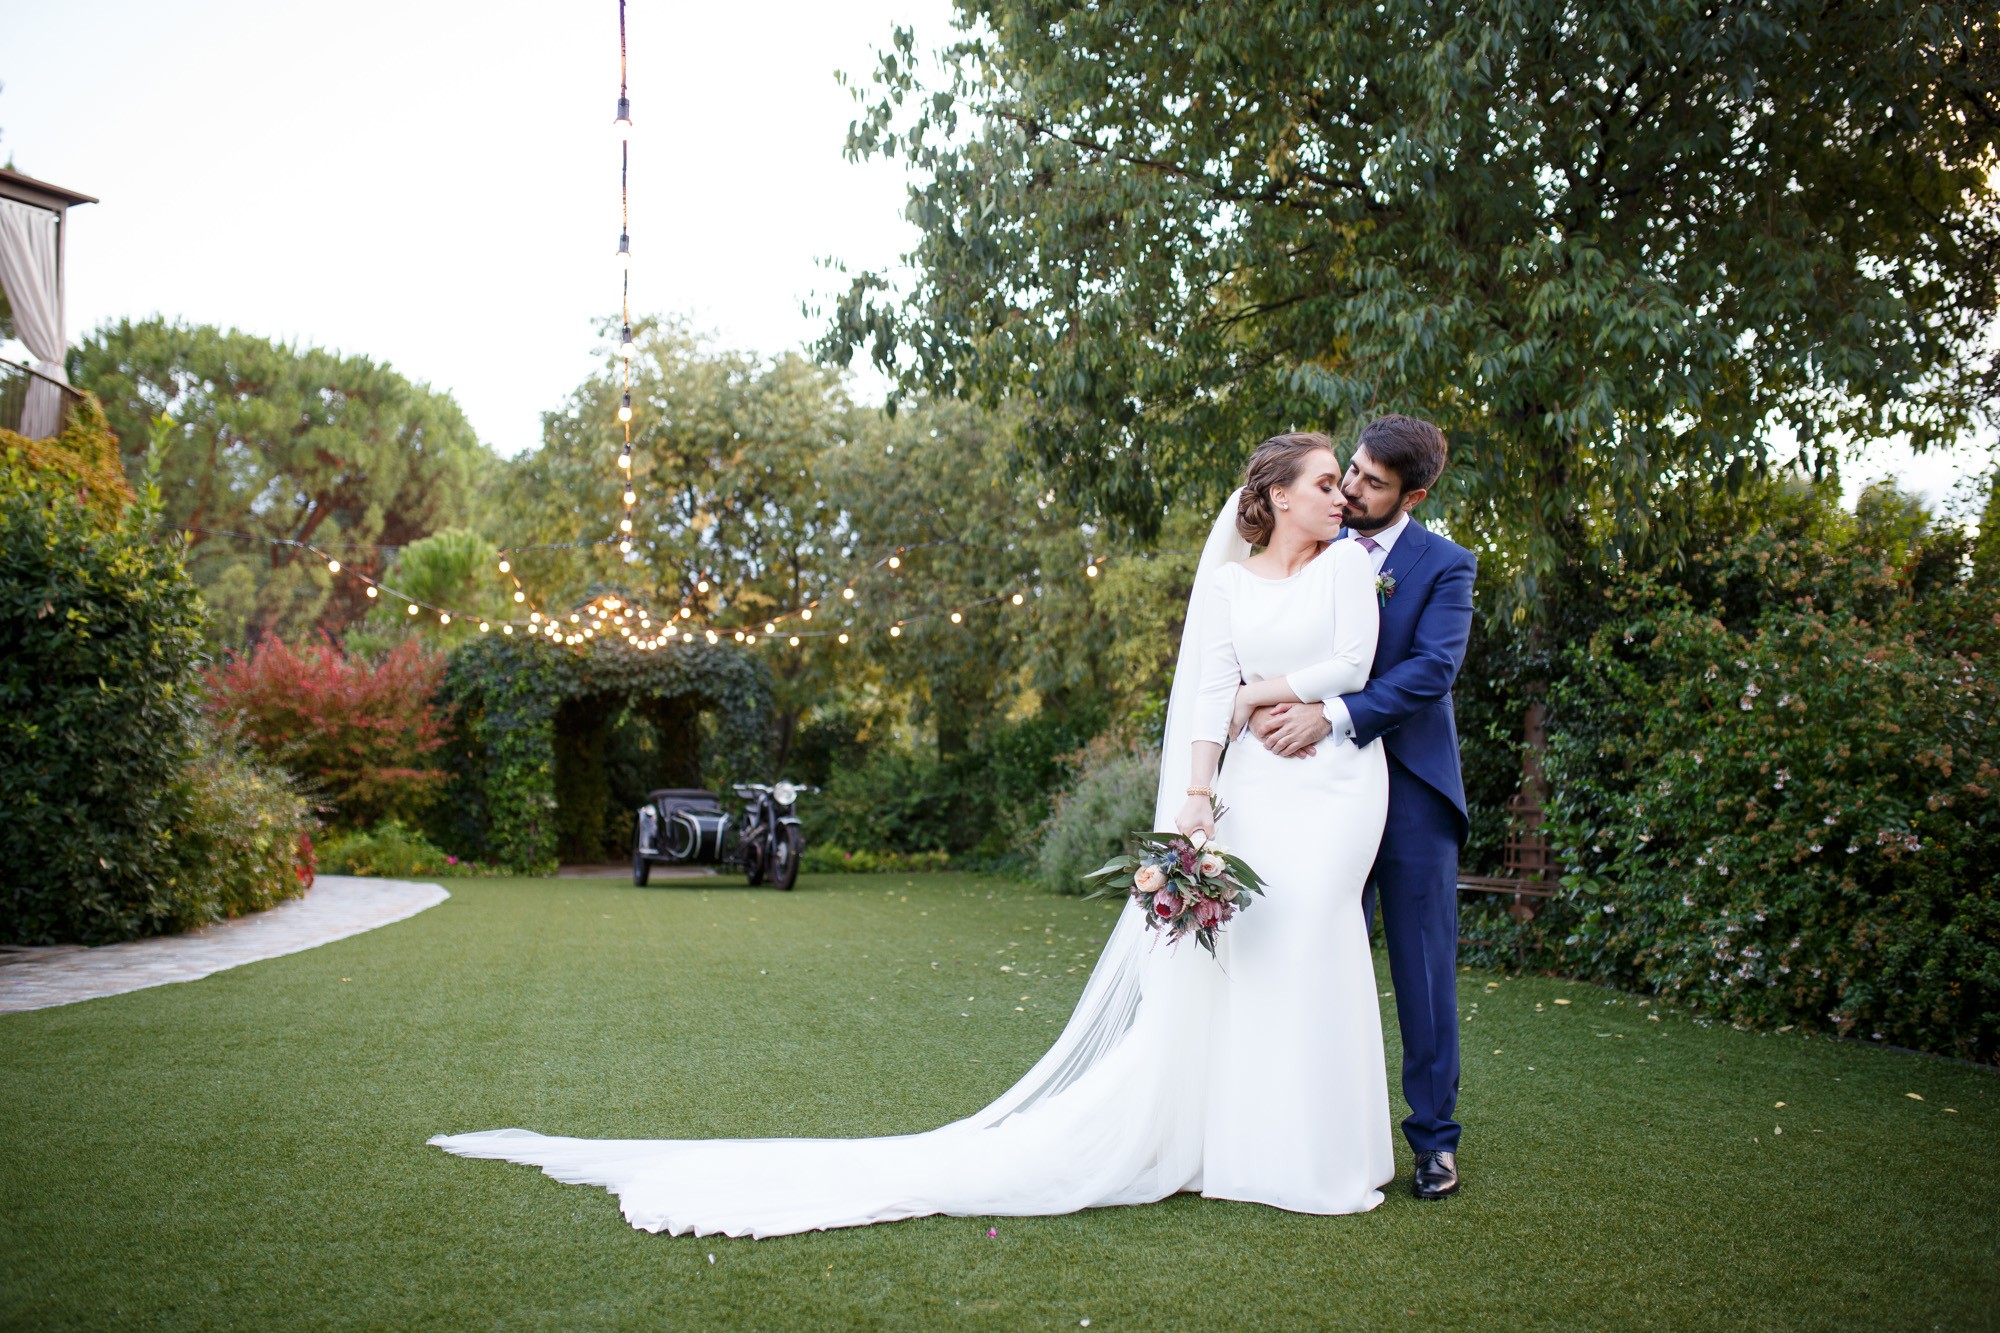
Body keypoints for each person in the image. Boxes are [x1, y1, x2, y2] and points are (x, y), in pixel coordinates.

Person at [429, 432, 1395, 1238]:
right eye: (1323, 482)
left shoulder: (1349, 565)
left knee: (1312, 939)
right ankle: (1242, 1149)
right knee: (1251, 956)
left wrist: (1261, 693)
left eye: (1340, 484)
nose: (1340, 496)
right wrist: (1195, 791)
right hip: (1249, 784)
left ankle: (1317, 1155)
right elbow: (1208, 690)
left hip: (1332, 785)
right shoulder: (1228, 587)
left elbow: (1353, 663)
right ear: (1275, 494)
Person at [1249, 413, 1476, 1200]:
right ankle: (1304, 1126)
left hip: (1409, 790)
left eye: (1372, 483)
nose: (1348, 488)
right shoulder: (1311, 547)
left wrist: (1334, 714)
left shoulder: (1445, 565)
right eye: (1349, 470)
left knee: (1422, 969)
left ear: (1413, 495)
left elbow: (1433, 669)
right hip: (1310, 790)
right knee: (1305, 950)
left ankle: (1435, 1141)